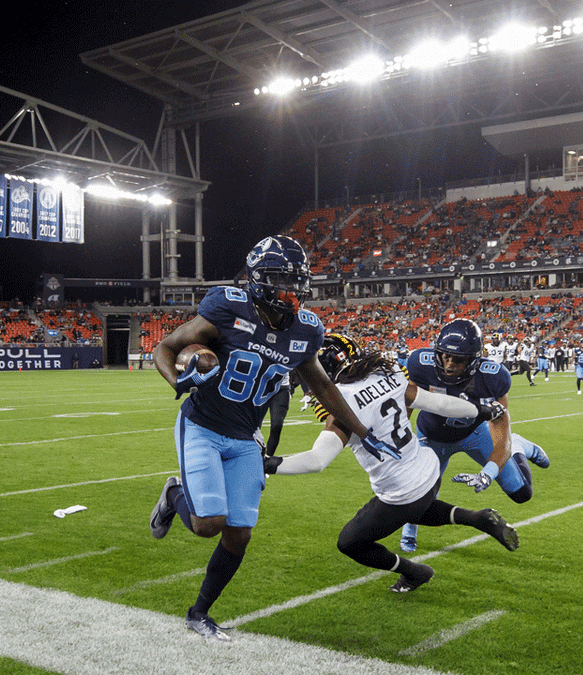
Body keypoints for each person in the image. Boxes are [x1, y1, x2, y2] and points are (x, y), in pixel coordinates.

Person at [147, 235, 401, 642]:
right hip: (204, 426)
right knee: (208, 523)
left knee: (240, 532)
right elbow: (165, 346)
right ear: (260, 278)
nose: (294, 288)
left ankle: (199, 613)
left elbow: (322, 386)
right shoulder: (228, 307)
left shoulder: (306, 328)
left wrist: (363, 432)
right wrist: (178, 381)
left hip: (246, 435)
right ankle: (173, 494)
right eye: (285, 278)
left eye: (298, 279)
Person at [265, 334, 518, 593]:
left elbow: (317, 460)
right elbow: (438, 402)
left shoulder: (341, 405)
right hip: (428, 469)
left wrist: (268, 464)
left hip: (401, 490)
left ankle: (414, 572)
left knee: (350, 542)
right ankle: (477, 518)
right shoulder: (386, 375)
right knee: (417, 506)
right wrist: (482, 411)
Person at [397, 318, 550, 553]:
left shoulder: (493, 377)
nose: (448, 364)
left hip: (475, 433)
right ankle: (409, 531)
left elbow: (500, 435)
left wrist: (488, 474)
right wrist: (399, 436)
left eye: (457, 359)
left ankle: (520, 445)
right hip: (431, 436)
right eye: (444, 356)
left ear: (474, 359)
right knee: (418, 491)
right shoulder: (420, 362)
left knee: (522, 494)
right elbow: (407, 403)